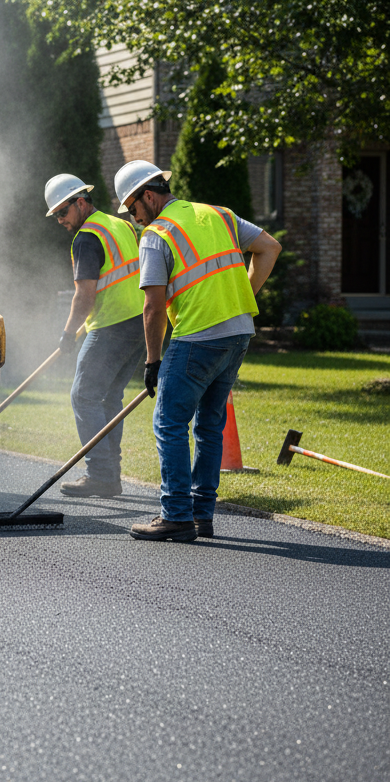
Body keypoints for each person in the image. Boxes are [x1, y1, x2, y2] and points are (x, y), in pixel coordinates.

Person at [113, 159, 282, 542]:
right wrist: (239, 299)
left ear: (149, 196)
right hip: (238, 334)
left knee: (169, 423)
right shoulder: (219, 214)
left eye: (132, 208)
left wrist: (152, 361)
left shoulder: (157, 235)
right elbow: (270, 248)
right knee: (209, 426)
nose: (134, 217)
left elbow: (153, 306)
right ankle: (201, 514)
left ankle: (176, 514)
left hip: (197, 339)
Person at [46, 174, 145, 497]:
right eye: (57, 215)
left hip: (111, 325)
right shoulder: (120, 224)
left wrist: (68, 332)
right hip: (138, 324)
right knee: (108, 398)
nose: (60, 220)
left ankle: (101, 474)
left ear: (81, 201)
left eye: (63, 212)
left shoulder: (87, 238)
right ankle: (110, 475)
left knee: (83, 396)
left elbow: (84, 296)